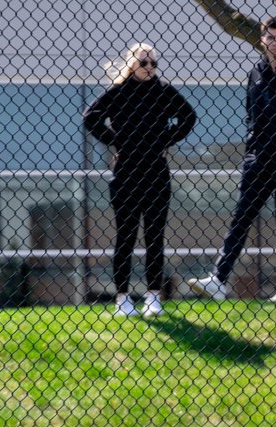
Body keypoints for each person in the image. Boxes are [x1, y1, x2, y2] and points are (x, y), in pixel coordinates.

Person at [187, 16, 276, 302]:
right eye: (270, 38)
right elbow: (251, 114)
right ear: (262, 41)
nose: (275, 42)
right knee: (241, 218)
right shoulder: (255, 72)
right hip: (257, 159)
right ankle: (218, 280)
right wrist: (250, 148)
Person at [83, 42, 196, 318]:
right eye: (144, 63)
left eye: (153, 63)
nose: (149, 68)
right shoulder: (119, 92)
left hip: (157, 171)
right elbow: (90, 117)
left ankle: (153, 297)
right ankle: (122, 298)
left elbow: (189, 116)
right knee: (126, 236)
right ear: (132, 64)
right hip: (126, 173)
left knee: (155, 236)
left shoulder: (163, 91)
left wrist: (165, 140)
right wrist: (116, 141)